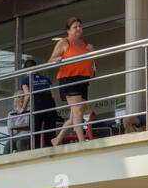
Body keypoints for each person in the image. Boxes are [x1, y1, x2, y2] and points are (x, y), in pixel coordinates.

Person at [49, 17, 96, 146]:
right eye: (75, 27)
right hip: (69, 79)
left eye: (80, 26)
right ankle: (82, 142)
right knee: (78, 111)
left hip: (83, 80)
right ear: (68, 31)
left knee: (73, 116)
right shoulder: (64, 42)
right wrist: (57, 59)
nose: (79, 29)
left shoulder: (87, 45)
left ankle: (57, 139)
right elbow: (50, 60)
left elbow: (92, 64)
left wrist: (92, 55)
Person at [17, 57, 58, 148]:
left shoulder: (26, 80)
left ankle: (36, 148)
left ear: (26, 69)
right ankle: (50, 147)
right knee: (50, 128)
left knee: (36, 129)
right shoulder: (46, 79)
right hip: (49, 103)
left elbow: (27, 95)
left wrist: (22, 109)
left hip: (37, 102)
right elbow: (53, 95)